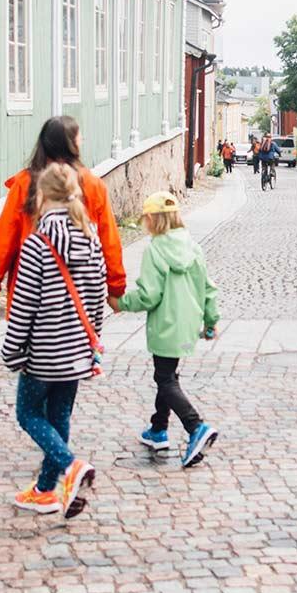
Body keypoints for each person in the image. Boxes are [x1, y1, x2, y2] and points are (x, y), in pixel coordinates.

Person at [0, 161, 108, 518]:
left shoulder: (37, 244)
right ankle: (48, 490)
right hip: (77, 350)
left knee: (28, 413)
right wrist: (93, 346)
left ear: (41, 196)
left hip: (43, 353)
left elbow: (24, 304)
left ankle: (70, 466)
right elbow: (97, 294)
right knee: (59, 416)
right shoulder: (91, 238)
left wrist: (12, 350)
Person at [0, 117, 127, 318]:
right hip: (82, 295)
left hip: (30, 292)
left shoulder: (24, 184)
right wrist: (115, 289)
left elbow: (3, 242)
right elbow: (109, 242)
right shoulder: (92, 185)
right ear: (73, 144)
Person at [117, 191, 221, 468]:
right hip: (187, 323)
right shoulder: (192, 246)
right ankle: (158, 429)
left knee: (165, 378)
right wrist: (211, 321)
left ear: (152, 219)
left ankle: (195, 426)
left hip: (165, 325)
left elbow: (149, 295)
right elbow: (209, 289)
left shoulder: (155, 249)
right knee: (167, 373)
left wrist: (122, 303)